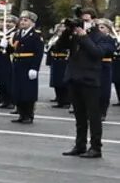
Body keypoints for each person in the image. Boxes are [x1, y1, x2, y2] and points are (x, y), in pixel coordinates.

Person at [63, 14, 116, 159]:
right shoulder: (74, 36)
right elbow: (60, 46)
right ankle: (80, 145)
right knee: (79, 116)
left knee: (94, 116)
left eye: (86, 20)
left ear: (93, 21)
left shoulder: (103, 37)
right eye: (82, 20)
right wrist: (67, 31)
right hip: (74, 79)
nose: (83, 23)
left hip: (91, 81)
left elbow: (97, 53)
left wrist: (84, 37)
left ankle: (96, 147)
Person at [6, 10, 44, 124]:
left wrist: (35, 68)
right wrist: (6, 46)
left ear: (32, 23)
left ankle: (29, 115)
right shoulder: (18, 34)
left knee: (28, 91)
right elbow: (13, 50)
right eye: (21, 20)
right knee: (18, 90)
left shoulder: (36, 35)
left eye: (25, 20)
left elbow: (39, 53)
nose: (22, 22)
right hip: (17, 64)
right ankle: (21, 114)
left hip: (28, 65)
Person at [47, 18, 75, 108]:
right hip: (55, 59)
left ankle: (66, 101)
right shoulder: (55, 37)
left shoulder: (69, 36)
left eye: (64, 26)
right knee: (56, 82)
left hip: (64, 59)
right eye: (61, 26)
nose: (61, 27)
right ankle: (60, 100)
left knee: (64, 82)